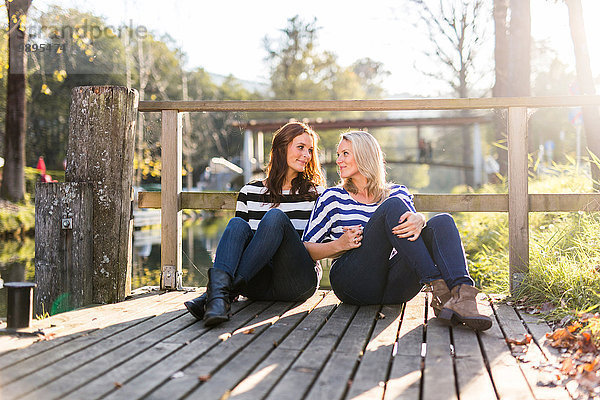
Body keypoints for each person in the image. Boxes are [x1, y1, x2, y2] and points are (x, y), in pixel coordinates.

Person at [302, 131, 491, 331]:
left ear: (365, 155)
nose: (338, 160)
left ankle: (463, 296)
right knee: (392, 206)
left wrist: (420, 219)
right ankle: (441, 292)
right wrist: (339, 245)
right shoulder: (332, 197)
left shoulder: (398, 192)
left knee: (443, 221)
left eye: (345, 154)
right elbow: (307, 249)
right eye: (339, 154)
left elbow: (413, 239)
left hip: (396, 287)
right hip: (353, 284)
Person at [185, 121, 326, 327]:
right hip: (255, 284)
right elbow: (238, 245)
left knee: (275, 218)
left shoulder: (315, 195)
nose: (307, 155)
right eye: (301, 147)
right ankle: (222, 295)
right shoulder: (250, 192)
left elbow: (321, 245)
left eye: (310, 150)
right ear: (281, 148)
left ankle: (216, 296)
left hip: (297, 282)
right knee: (237, 225)